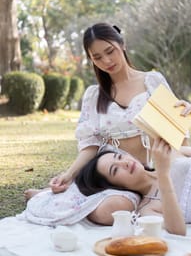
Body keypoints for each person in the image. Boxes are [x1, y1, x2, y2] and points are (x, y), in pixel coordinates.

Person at [22, 22, 176, 226]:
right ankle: (51, 195)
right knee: (111, 211)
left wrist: (172, 168)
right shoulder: (94, 95)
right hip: (113, 177)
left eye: (110, 51)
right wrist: (69, 174)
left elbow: (176, 132)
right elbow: (91, 145)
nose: (106, 61)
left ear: (122, 44)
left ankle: (53, 194)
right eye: (97, 57)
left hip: (150, 173)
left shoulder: (152, 81)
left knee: (122, 208)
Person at [75, 100, 191, 233]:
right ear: (115, 186)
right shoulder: (148, 209)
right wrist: (163, 174)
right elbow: (178, 230)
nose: (124, 163)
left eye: (119, 156)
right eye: (115, 170)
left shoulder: (170, 153)